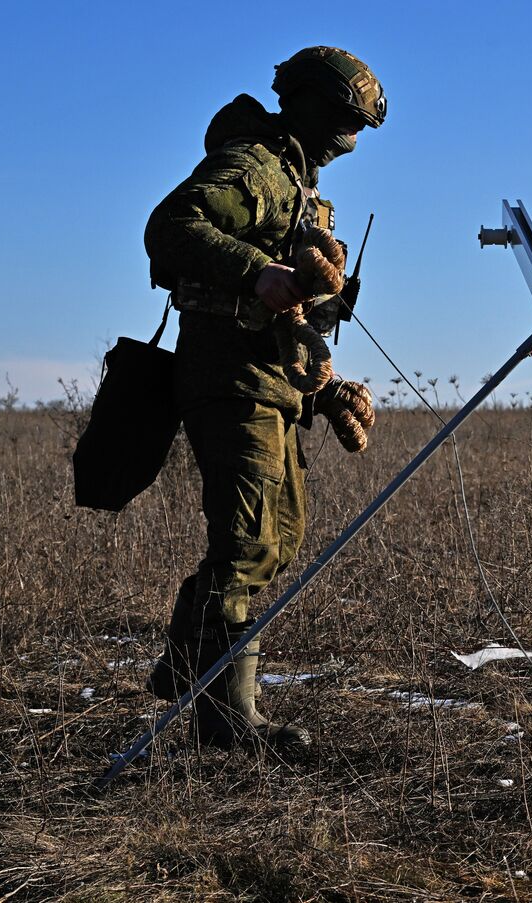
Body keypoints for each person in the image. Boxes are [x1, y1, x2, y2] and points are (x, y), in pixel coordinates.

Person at [140, 46, 385, 750]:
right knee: (244, 540)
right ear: (314, 106)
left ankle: (190, 659)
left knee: (280, 538)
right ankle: (225, 721)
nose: (353, 140)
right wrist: (256, 272)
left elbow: (294, 312)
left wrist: (325, 385)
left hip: (274, 383)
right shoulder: (253, 167)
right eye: (348, 122)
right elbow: (170, 226)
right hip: (229, 376)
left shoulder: (303, 187)